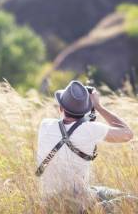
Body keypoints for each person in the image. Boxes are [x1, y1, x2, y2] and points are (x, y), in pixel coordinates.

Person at [37, 80, 134, 210]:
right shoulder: (90, 129)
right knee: (131, 200)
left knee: (98, 191)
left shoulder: (45, 124)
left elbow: (64, 124)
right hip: (77, 205)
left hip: (49, 202)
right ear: (85, 111)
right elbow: (128, 134)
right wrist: (98, 106)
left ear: (60, 108)